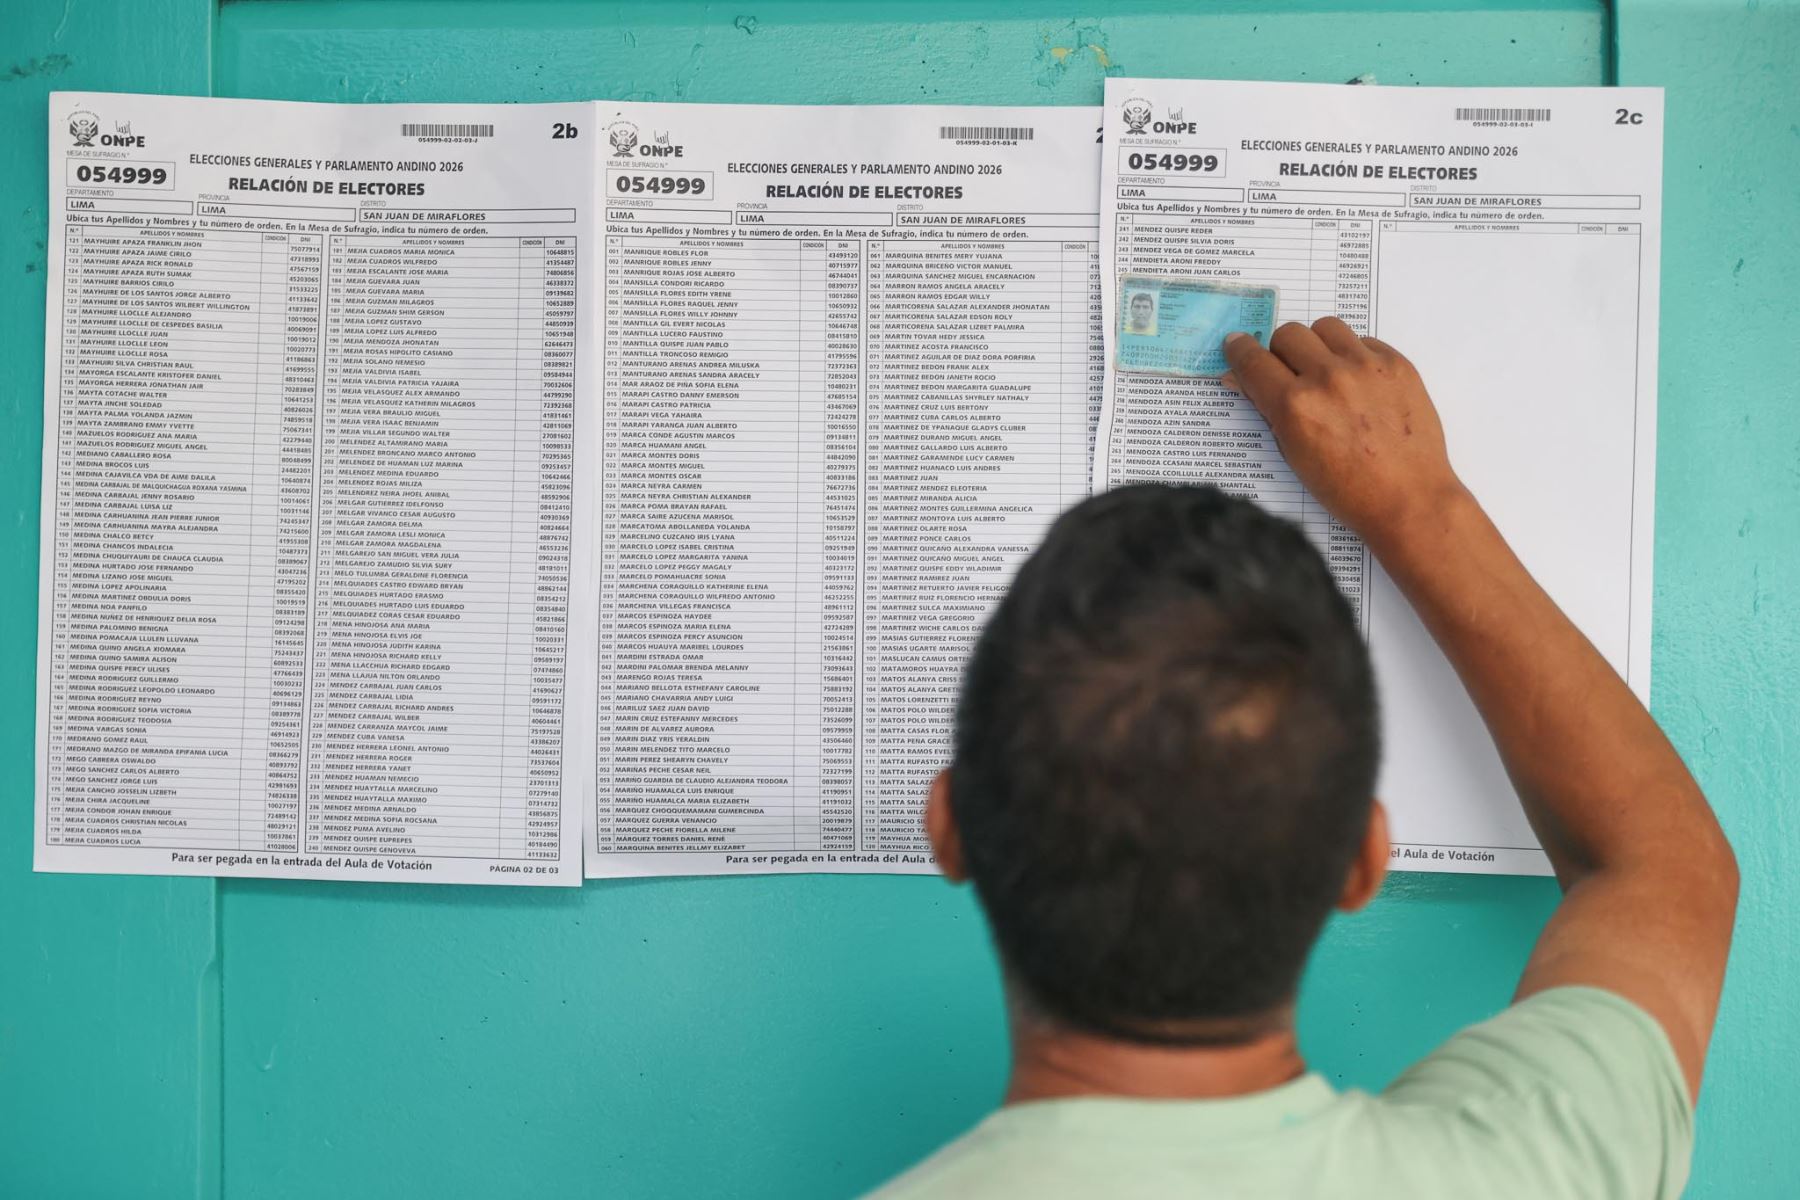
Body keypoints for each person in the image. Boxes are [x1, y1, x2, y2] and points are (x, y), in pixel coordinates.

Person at [870, 318, 1738, 1198]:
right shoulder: (1534, 1169)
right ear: (1362, 859)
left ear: (950, 828)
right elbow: (1667, 867)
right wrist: (1415, 504)